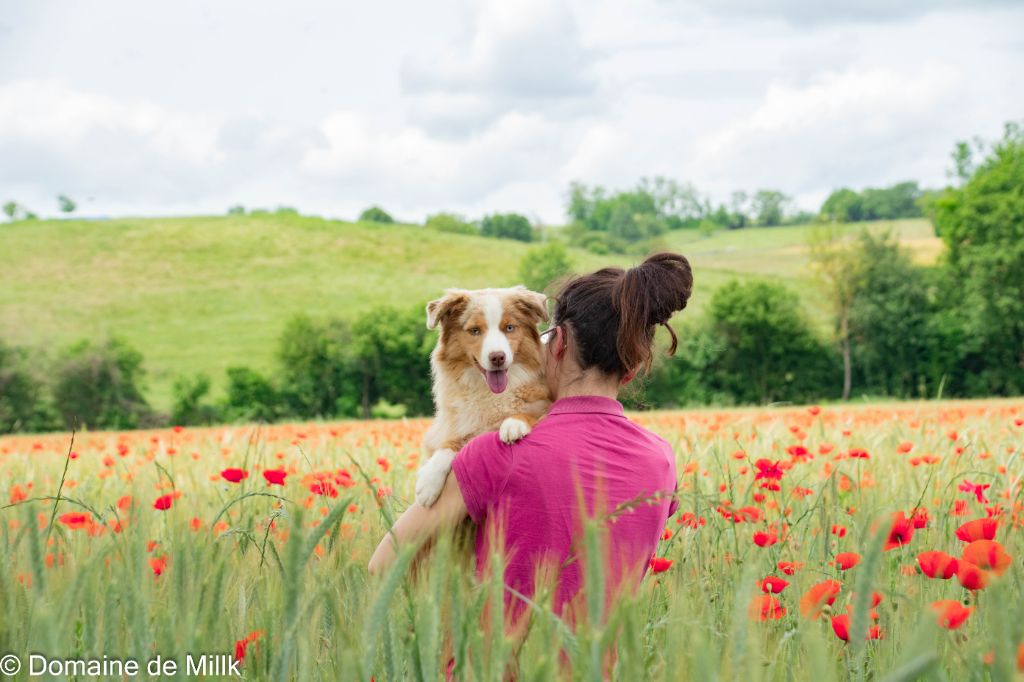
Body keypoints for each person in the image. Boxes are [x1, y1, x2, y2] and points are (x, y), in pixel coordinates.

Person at [368, 252, 693, 641]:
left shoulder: (494, 452)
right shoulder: (661, 460)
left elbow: (384, 566)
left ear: (559, 343)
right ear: (634, 366)